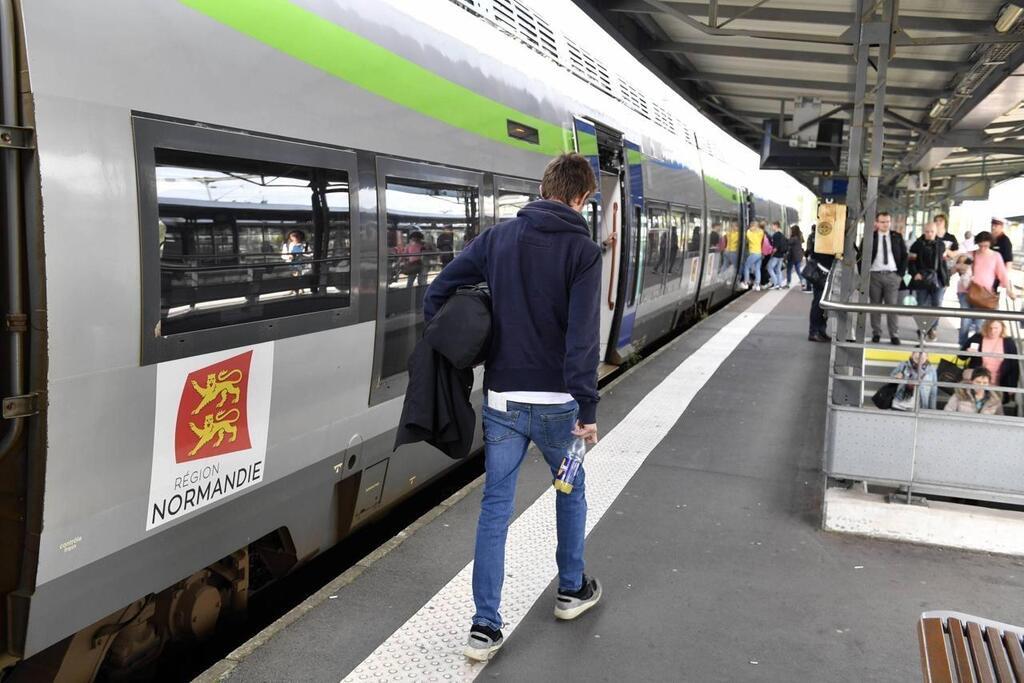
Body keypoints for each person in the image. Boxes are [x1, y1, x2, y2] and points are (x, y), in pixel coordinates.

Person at [422, 153, 603, 662]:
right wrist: (587, 409)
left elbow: (440, 292)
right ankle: (571, 590)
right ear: (581, 197)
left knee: (495, 508)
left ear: (543, 188)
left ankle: (484, 627)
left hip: (502, 402)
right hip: (560, 409)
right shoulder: (584, 252)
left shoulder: (498, 239)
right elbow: (582, 340)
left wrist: (460, 347)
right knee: (569, 490)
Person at [859, 211, 907, 345]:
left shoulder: (896, 237)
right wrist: (863, 275)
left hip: (892, 276)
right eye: (882, 222)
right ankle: (877, 333)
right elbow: (860, 257)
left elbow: (904, 256)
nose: (885, 224)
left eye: (887, 222)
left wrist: (900, 275)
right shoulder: (870, 237)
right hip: (875, 275)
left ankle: (894, 334)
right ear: (877, 223)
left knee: (892, 307)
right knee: (875, 306)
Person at [960, 319, 1020, 400]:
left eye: (996, 328)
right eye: (990, 328)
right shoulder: (977, 337)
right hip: (977, 382)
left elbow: (1014, 366)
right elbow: (961, 356)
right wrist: (967, 351)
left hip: (998, 384)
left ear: (1002, 328)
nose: (993, 331)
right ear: (985, 327)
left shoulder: (1008, 342)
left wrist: (1012, 386)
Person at [908, 222, 948, 340]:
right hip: (921, 278)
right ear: (923, 231)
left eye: (932, 232)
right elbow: (910, 262)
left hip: (938, 279)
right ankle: (922, 328)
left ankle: (932, 328)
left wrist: (945, 279)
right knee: (921, 305)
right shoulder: (916, 245)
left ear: (936, 232)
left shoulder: (941, 245)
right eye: (927, 231)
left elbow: (943, 263)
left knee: (937, 305)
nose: (929, 234)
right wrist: (915, 274)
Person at [969, 231, 1016, 303]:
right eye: (980, 246)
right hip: (970, 291)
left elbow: (1002, 274)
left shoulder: (996, 256)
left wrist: (1009, 290)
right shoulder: (971, 254)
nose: (982, 249)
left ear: (990, 244)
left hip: (987, 292)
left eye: (985, 246)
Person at [806, 229, 834, 342]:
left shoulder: (825, 234)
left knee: (823, 305)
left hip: (826, 272)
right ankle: (814, 332)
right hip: (821, 273)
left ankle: (821, 331)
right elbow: (816, 253)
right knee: (818, 304)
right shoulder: (824, 235)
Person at [953, 254, 979, 347]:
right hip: (964, 292)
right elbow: (954, 269)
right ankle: (963, 345)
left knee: (977, 321)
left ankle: (975, 345)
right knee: (965, 320)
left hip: (976, 294)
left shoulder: (976, 263)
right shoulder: (967, 266)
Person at [743, 221, 765, 290]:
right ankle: (757, 285)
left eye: (751, 226)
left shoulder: (749, 233)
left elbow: (748, 232)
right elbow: (760, 229)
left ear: (753, 226)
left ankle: (745, 283)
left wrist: (751, 228)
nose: (750, 227)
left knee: (746, 266)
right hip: (759, 254)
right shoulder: (761, 233)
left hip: (753, 253)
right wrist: (757, 226)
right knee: (757, 269)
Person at [767, 221, 787, 289]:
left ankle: (775, 283)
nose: (772, 227)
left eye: (772, 226)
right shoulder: (782, 234)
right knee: (778, 270)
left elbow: (775, 247)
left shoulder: (775, 235)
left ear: (776, 226)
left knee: (769, 268)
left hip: (776, 255)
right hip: (781, 255)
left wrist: (771, 255)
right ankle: (779, 284)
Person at [785, 225, 805, 289]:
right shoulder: (799, 237)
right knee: (798, 270)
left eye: (791, 230)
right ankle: (802, 282)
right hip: (799, 256)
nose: (790, 231)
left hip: (792, 256)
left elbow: (788, 242)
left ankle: (788, 283)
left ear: (793, 231)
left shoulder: (794, 238)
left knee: (789, 270)